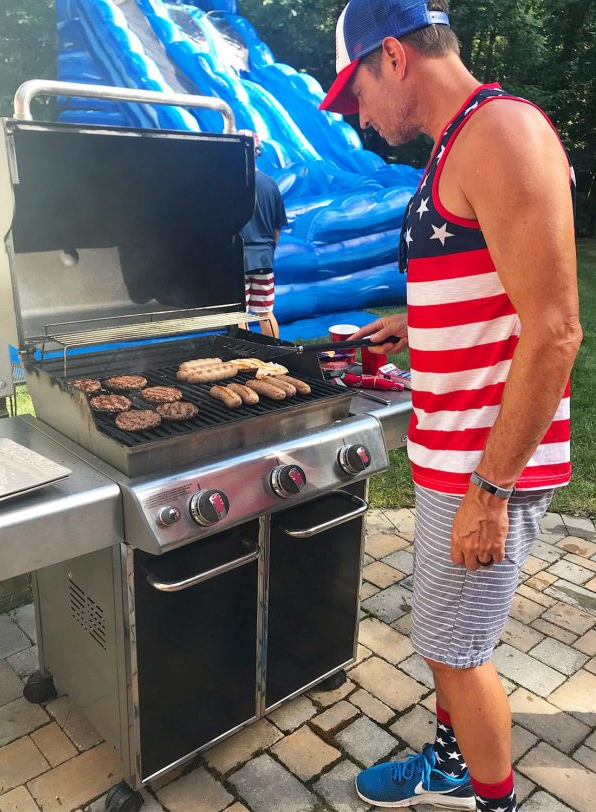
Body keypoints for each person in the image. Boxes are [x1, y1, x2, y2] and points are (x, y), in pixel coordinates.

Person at [320, 1, 581, 810]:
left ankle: (493, 800)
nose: (356, 114)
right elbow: (491, 280)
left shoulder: (501, 131)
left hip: (483, 463)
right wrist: (413, 322)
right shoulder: (456, 145)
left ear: (392, 56)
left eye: (354, 89)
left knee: (456, 651)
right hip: (451, 453)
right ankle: (451, 760)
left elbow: (556, 330)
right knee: (446, 641)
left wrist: (491, 491)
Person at [238, 130, 287, 338]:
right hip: (265, 258)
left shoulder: (232, 184)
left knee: (238, 315)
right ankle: (276, 356)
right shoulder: (271, 185)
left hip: (238, 260)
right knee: (266, 312)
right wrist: (268, 249)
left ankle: (243, 359)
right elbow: (277, 228)